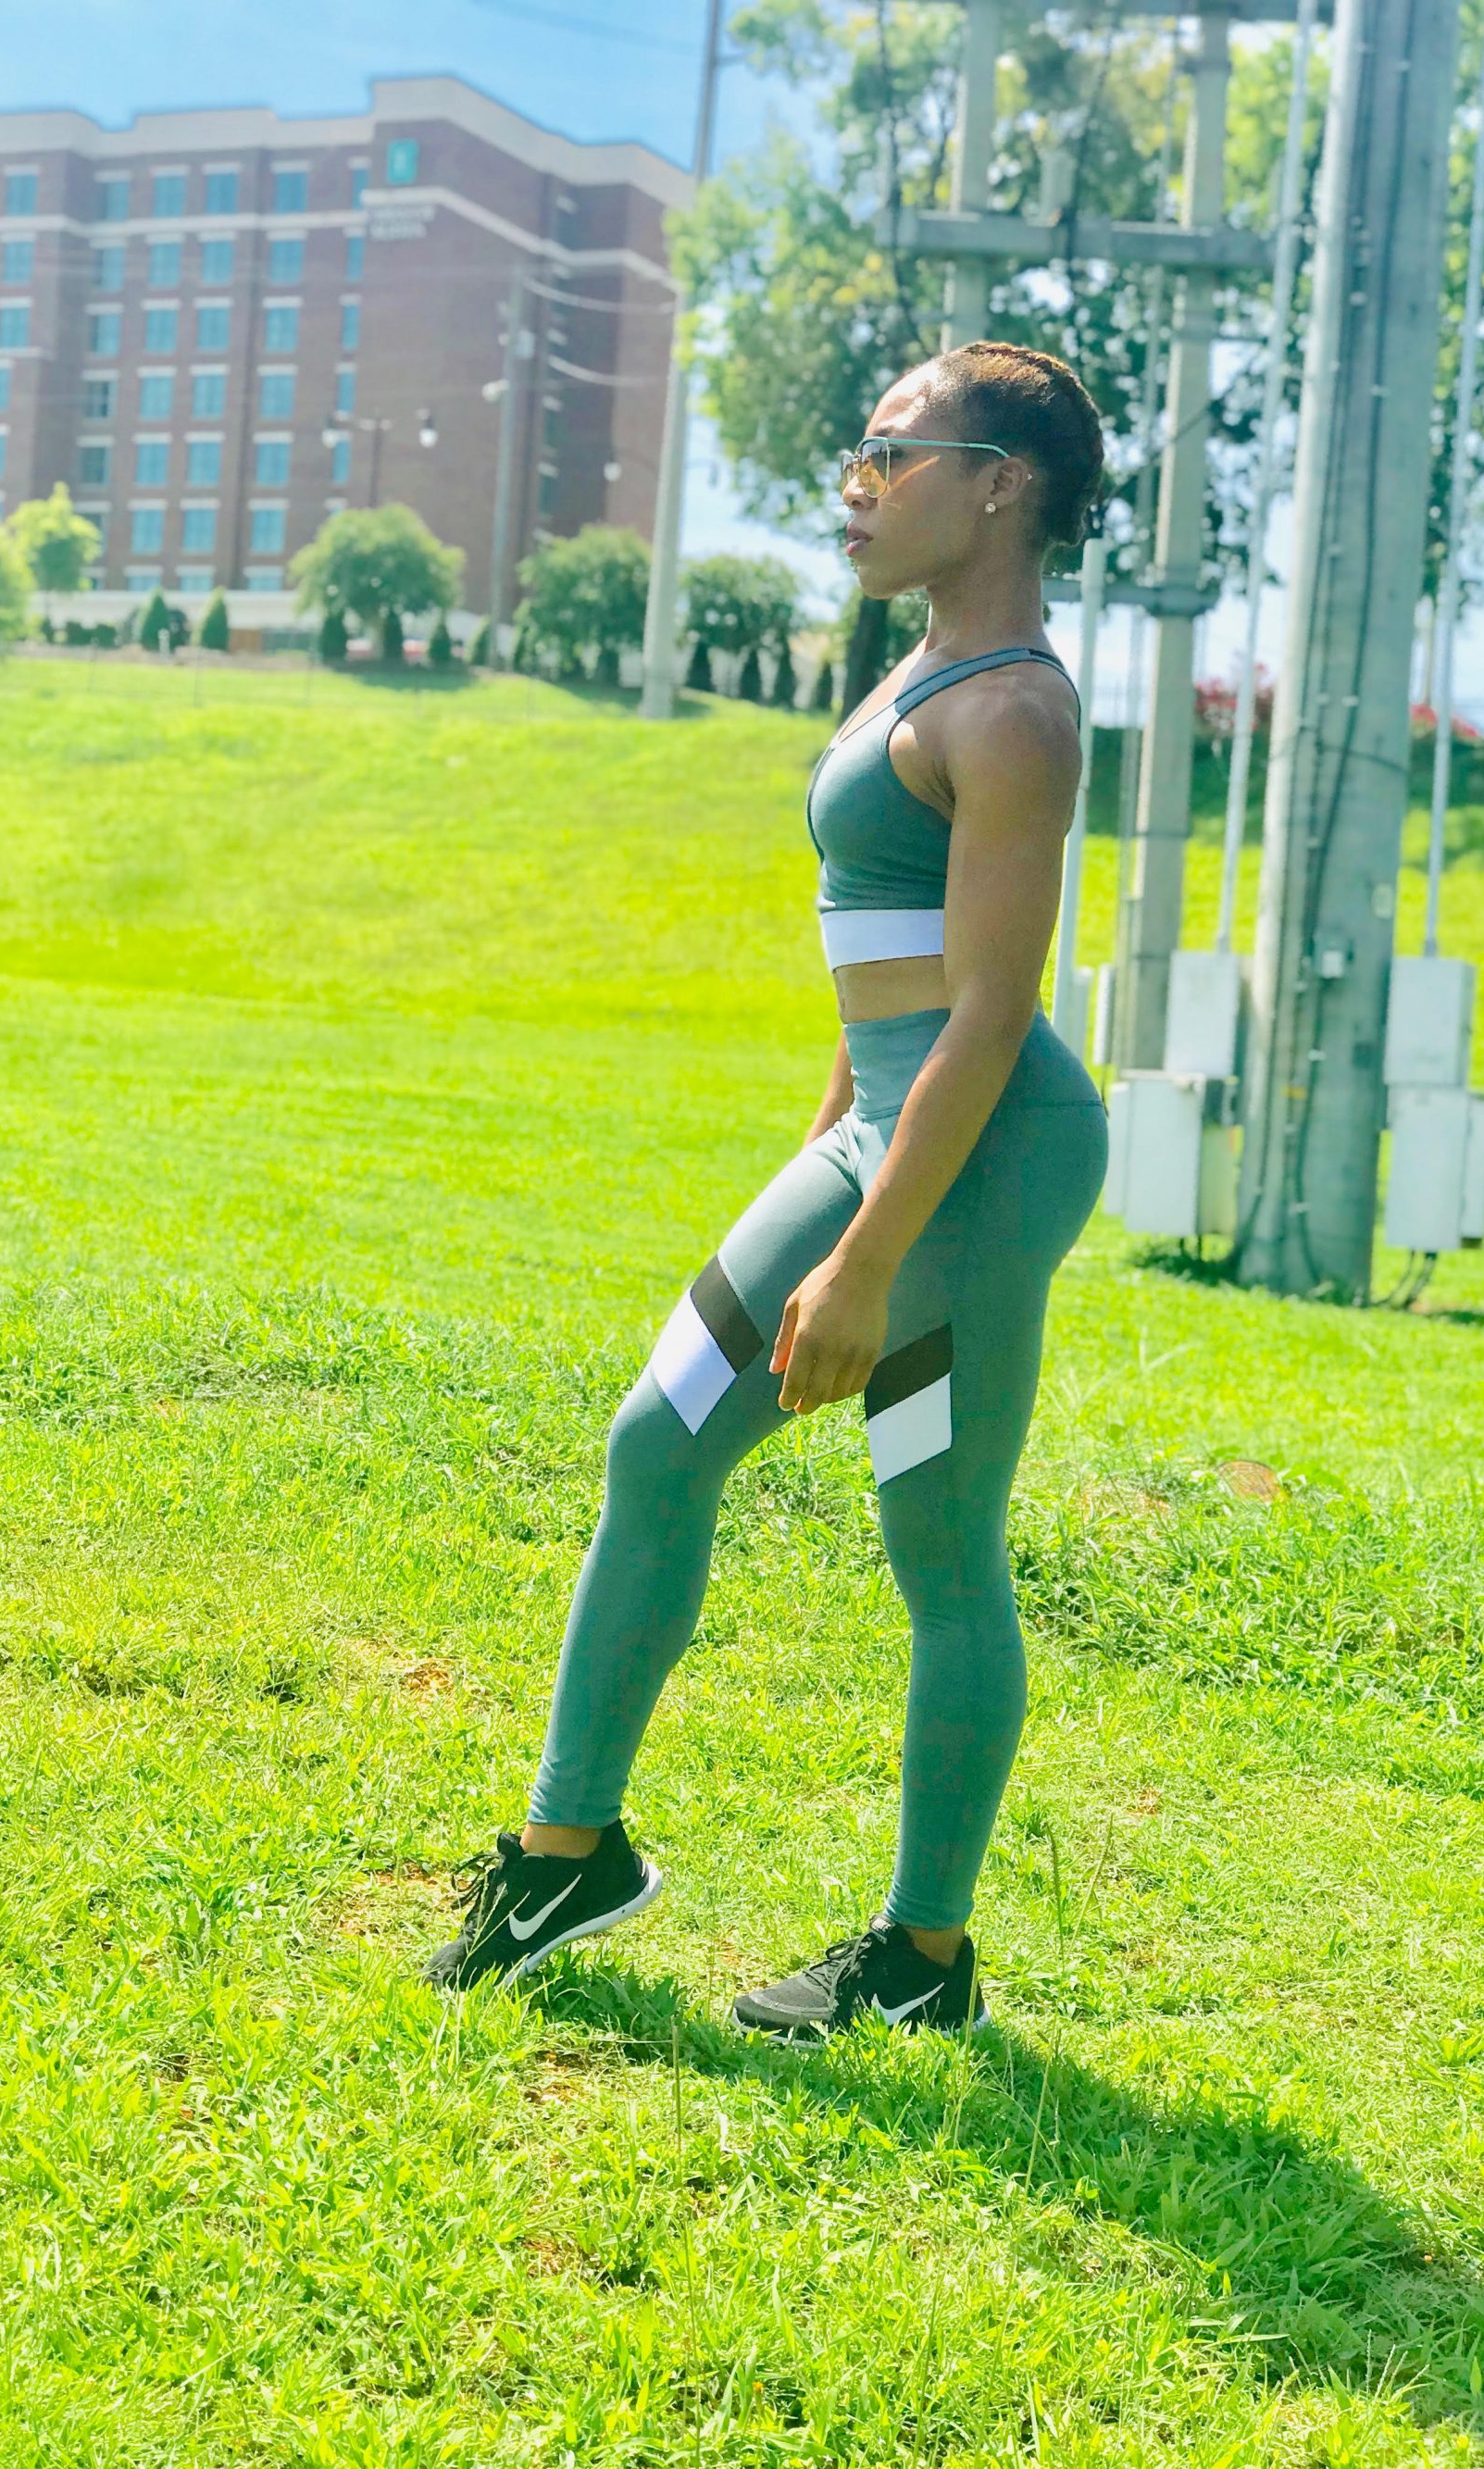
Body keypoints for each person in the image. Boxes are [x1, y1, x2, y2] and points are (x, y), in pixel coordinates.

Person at [422, 341, 1110, 2040]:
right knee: (656, 1442)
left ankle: (924, 1961)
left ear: (999, 484)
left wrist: (867, 1259)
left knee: (939, 1542)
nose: (856, 486)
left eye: (892, 451)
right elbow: (885, 971)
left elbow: (988, 1013)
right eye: (855, 454)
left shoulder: (1015, 711)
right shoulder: (914, 673)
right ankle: (568, 1854)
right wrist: (825, 1153)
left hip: (979, 1158)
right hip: (880, 1130)